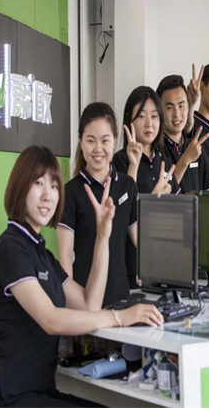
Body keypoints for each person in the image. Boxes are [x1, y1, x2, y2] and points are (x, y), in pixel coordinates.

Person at [0, 146, 163, 408]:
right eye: (38, 183)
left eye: (54, 186)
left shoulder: (43, 256)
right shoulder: (11, 247)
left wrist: (102, 237)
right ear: (20, 187)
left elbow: (90, 304)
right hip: (9, 397)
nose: (48, 195)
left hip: (39, 391)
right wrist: (121, 317)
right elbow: (51, 320)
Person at [57, 103, 139, 306]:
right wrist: (71, 308)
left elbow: (141, 242)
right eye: (91, 140)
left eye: (105, 140)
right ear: (80, 141)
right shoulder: (69, 193)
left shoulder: (127, 186)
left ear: (115, 141)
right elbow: (65, 259)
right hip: (85, 303)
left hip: (122, 301)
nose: (98, 149)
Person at [113, 86, 176, 288]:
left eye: (154, 116)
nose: (149, 123)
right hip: (131, 265)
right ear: (129, 121)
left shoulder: (163, 161)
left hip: (162, 261)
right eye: (141, 116)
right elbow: (121, 213)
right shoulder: (120, 161)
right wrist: (151, 199)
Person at [156, 74, 209, 192]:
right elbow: (162, 194)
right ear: (159, 110)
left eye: (181, 105)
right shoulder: (155, 151)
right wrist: (186, 160)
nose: (177, 113)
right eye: (169, 107)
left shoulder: (195, 148)